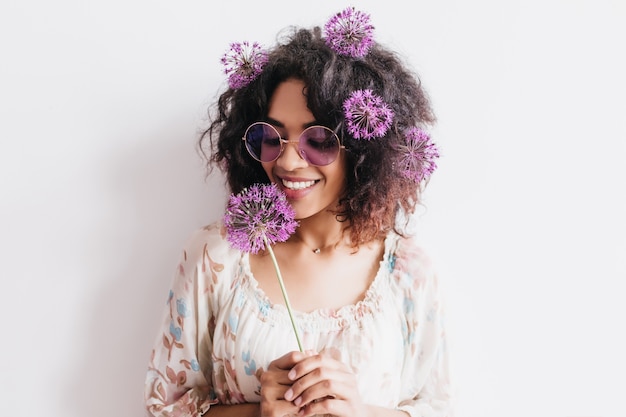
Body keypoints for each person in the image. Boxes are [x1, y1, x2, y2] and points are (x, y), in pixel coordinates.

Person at [144, 7, 452, 417]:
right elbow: (165, 407)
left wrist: (358, 412)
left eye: (319, 140)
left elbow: (438, 408)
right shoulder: (216, 258)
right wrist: (258, 413)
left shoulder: (407, 271)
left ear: (364, 150)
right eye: (271, 136)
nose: (287, 162)